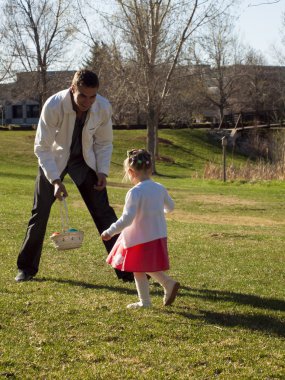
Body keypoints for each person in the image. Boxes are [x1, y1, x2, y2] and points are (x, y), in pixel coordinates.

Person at [15, 69, 134, 283]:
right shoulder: (53, 105)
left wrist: (102, 171)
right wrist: (55, 180)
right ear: (73, 89)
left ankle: (127, 269)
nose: (88, 101)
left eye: (92, 96)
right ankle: (26, 268)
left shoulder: (103, 107)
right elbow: (41, 147)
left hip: (85, 162)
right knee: (39, 213)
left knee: (104, 213)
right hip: (53, 160)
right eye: (83, 96)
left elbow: (104, 143)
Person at [101, 149, 180, 308]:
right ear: (150, 168)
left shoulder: (135, 192)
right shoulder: (159, 187)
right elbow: (170, 207)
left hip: (139, 237)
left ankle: (146, 301)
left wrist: (110, 231)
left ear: (130, 171)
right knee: (144, 267)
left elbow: (127, 219)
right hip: (157, 235)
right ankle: (167, 284)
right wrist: (159, 212)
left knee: (138, 269)